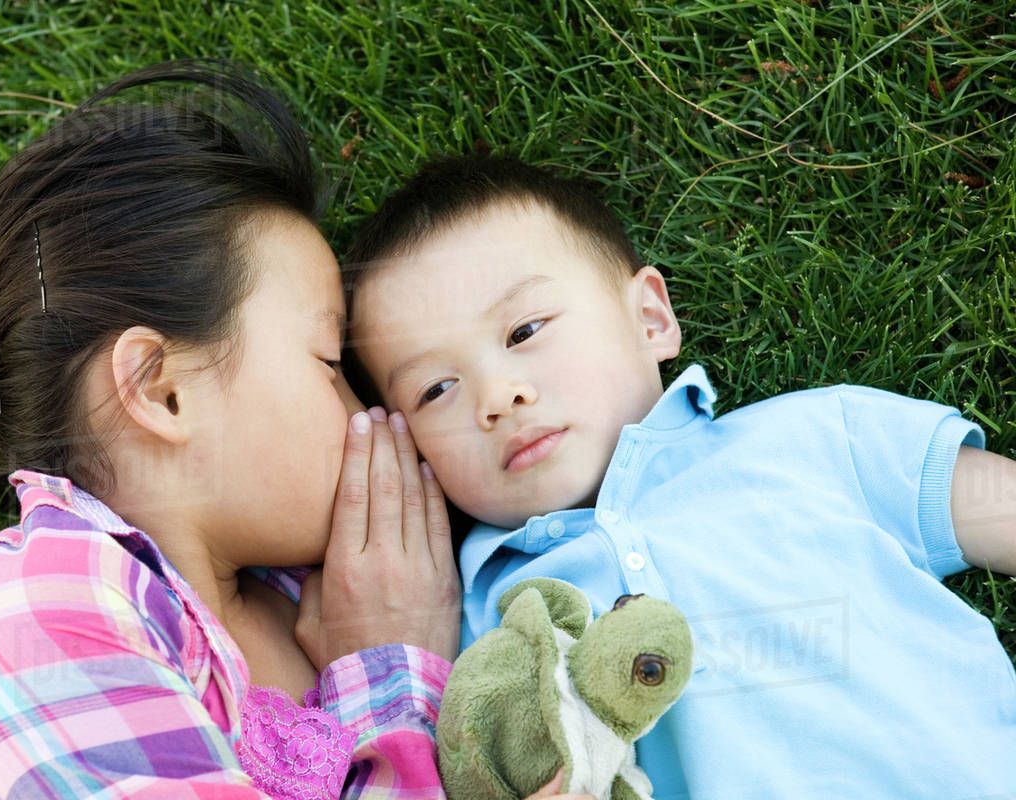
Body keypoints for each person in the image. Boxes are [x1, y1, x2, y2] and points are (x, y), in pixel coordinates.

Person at [0, 60, 478, 800]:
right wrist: (396, 666)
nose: (369, 412)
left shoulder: (313, 587)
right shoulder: (43, 606)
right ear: (160, 389)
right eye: (329, 364)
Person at [342, 154, 1016, 799]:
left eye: (524, 330)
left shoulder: (816, 439)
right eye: (435, 390)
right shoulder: (478, 620)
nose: (497, 395)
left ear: (650, 318)